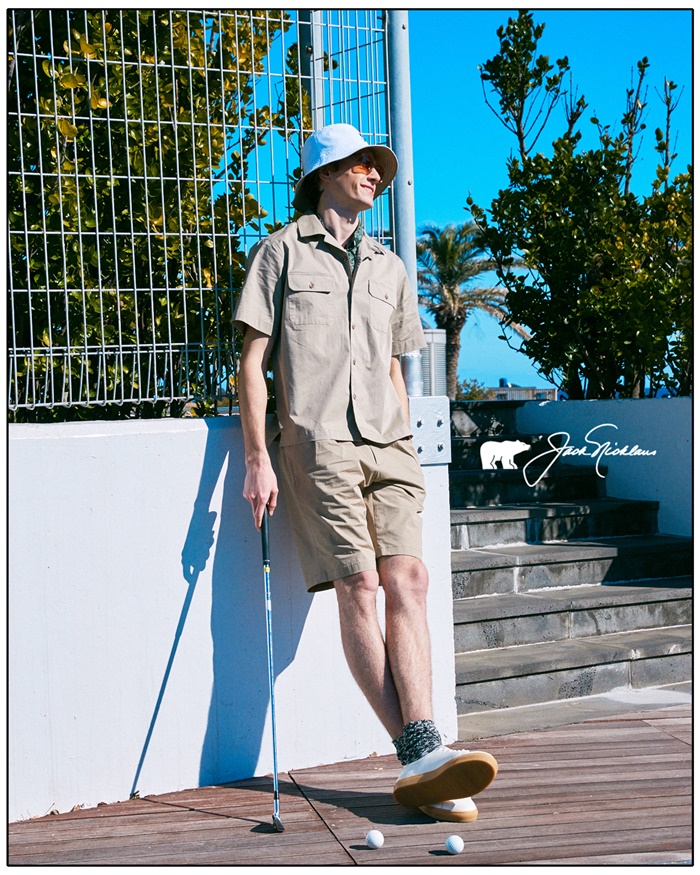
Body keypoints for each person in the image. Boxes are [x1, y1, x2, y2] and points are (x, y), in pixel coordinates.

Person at [233, 123, 497, 823]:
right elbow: (253, 364)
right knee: (361, 586)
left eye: (377, 166)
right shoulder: (280, 253)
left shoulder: (391, 268)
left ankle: (424, 759)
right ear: (323, 174)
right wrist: (258, 457)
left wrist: (405, 438)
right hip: (318, 445)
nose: (375, 174)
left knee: (410, 580)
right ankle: (423, 753)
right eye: (360, 163)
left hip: (390, 444)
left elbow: (394, 368)